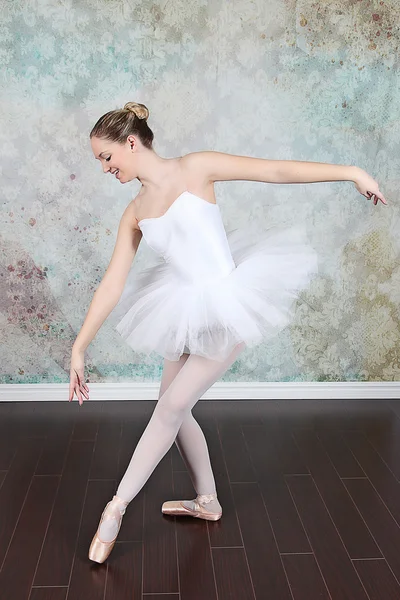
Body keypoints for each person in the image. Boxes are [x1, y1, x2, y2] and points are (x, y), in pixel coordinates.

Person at [68, 101, 387, 564]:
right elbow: (112, 284)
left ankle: (116, 507)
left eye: (105, 157)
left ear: (131, 143)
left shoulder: (196, 167)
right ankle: (208, 501)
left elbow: (274, 170)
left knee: (172, 405)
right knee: (175, 414)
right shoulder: (134, 213)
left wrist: (352, 171)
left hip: (228, 302)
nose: (104, 167)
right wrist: (79, 347)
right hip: (181, 307)